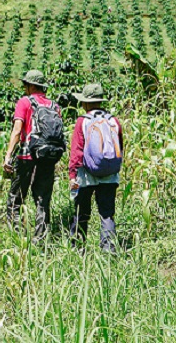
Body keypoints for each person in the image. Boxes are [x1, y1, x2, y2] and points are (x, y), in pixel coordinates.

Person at [3, 70, 65, 241]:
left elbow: (17, 131)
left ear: (30, 86)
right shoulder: (54, 106)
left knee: (16, 199)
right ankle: (41, 240)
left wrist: (8, 155)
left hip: (26, 157)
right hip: (47, 157)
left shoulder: (24, 102)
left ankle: (16, 238)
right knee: (42, 200)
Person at [69, 83, 123, 253]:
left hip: (86, 176)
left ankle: (77, 250)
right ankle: (109, 252)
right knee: (107, 214)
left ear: (85, 103)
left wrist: (72, 176)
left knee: (81, 213)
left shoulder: (82, 121)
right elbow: (120, 147)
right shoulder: (113, 120)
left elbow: (76, 151)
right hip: (110, 175)